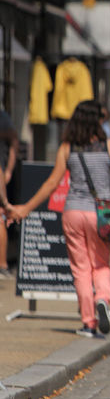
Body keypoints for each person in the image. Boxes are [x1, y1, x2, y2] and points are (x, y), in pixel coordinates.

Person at [8, 100, 110, 337]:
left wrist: (26, 208)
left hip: (73, 212)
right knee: (101, 264)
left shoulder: (67, 147)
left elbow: (51, 183)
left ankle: (88, 322)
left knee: (80, 268)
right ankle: (103, 300)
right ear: (98, 121)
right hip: (101, 214)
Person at [0, 109, 17, 278]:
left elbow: (14, 139)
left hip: (1, 172)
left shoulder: (2, 116)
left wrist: (9, 170)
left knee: (0, 217)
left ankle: (2, 265)